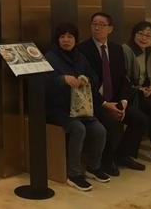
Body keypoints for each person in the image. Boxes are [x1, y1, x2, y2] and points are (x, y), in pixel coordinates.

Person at [44, 22, 109, 191]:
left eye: (70, 36)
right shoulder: (50, 57)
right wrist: (62, 80)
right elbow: (43, 83)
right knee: (78, 129)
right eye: (62, 36)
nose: (66, 40)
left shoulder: (80, 57)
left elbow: (94, 77)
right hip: (58, 109)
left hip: (81, 108)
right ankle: (74, 174)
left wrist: (86, 79)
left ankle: (93, 167)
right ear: (57, 39)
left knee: (99, 130)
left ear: (75, 39)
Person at [113, 21, 151, 170]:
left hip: (143, 91)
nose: (144, 38)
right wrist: (141, 89)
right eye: (140, 34)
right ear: (134, 34)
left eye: (148, 36)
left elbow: (150, 76)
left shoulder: (149, 53)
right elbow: (124, 78)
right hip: (130, 93)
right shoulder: (126, 50)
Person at [84, 12, 132, 178]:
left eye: (102, 24)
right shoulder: (83, 49)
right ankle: (107, 160)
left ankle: (123, 155)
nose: (97, 28)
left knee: (139, 119)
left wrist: (123, 101)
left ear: (110, 29)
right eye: (94, 24)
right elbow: (87, 84)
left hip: (115, 98)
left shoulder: (117, 49)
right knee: (112, 123)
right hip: (95, 101)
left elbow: (123, 77)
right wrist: (104, 104)